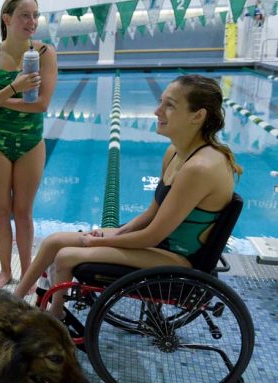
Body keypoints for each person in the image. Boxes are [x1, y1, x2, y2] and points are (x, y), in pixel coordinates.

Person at [12, 74, 242, 318]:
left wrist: (100, 241)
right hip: (160, 245)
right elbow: (152, 213)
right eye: (161, 102)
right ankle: (13, 304)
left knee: (67, 255)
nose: (157, 111)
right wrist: (116, 233)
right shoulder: (175, 152)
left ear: (198, 116)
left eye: (170, 106)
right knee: (53, 241)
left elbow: (152, 234)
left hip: (178, 258)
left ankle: (55, 315)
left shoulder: (200, 168)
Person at [0, 0, 57, 290]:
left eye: (35, 15)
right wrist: (14, 87)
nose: (32, 22)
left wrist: (0, 101)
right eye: (25, 15)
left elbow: (42, 104)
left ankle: (28, 272)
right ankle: (6, 271)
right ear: (7, 19)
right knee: (0, 210)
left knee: (23, 212)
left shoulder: (45, 53)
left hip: (31, 141)